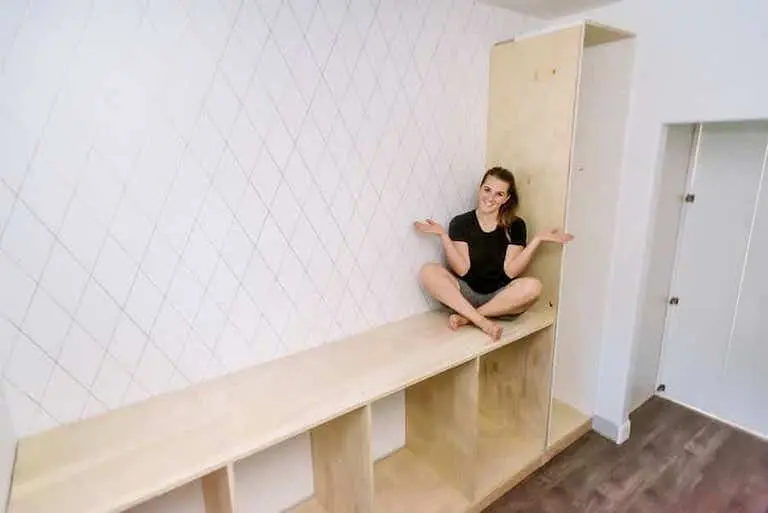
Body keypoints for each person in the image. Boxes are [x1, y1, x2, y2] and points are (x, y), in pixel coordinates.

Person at [414, 166, 573, 341]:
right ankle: (481, 321)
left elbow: (510, 272)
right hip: (464, 296)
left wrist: (537, 240)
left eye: (499, 194)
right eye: (487, 190)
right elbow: (462, 270)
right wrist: (443, 236)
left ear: (507, 198)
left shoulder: (516, 225)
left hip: (501, 300)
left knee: (534, 286)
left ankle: (468, 318)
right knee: (428, 271)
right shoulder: (460, 222)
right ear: (480, 188)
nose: (490, 198)